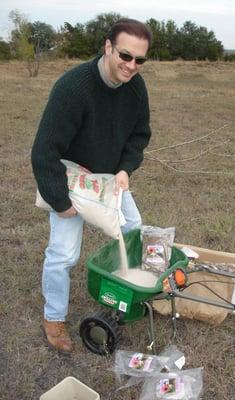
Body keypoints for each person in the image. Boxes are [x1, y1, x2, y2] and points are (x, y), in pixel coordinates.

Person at [31, 18, 152, 352]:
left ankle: (127, 294)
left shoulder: (136, 87)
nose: (131, 66)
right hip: (70, 182)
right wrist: (60, 201)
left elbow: (139, 136)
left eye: (139, 60)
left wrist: (126, 169)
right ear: (108, 46)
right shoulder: (74, 87)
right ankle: (54, 318)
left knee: (134, 228)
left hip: (109, 181)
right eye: (125, 56)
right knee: (63, 255)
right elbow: (43, 152)